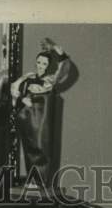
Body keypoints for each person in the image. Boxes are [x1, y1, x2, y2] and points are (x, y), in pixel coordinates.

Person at [11, 37, 72, 184]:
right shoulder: (28, 77)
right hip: (26, 115)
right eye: (39, 62)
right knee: (29, 147)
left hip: (41, 116)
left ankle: (41, 182)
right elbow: (14, 89)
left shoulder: (49, 80)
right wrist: (21, 99)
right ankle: (33, 180)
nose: (41, 66)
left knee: (41, 146)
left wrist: (55, 48)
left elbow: (64, 68)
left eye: (44, 63)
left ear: (49, 65)